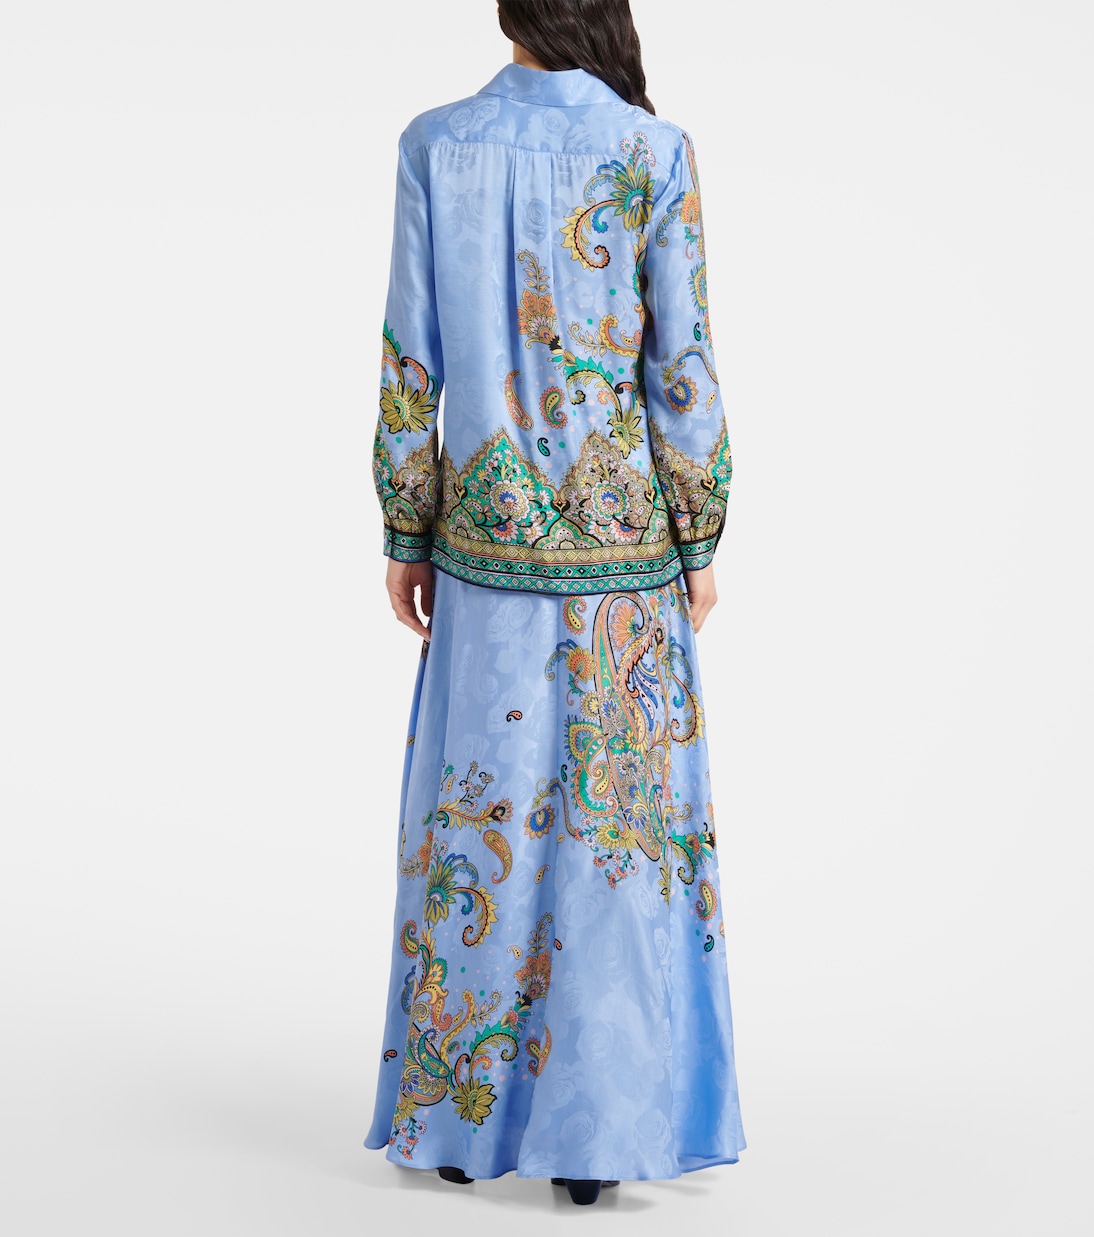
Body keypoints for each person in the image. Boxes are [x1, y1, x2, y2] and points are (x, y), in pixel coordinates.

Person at [363, 0, 746, 1206]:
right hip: (619, 551)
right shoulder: (650, 150)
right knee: (615, 840)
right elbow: (680, 365)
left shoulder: (436, 142)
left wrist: (407, 523)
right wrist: (698, 529)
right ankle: (597, 1136)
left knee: (478, 819)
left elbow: (410, 357)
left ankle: (459, 1119)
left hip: (483, 545)